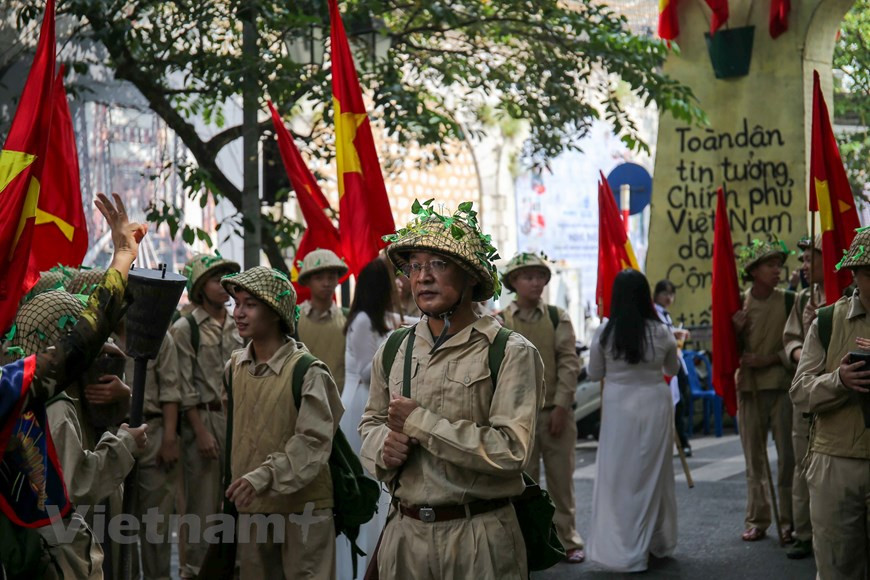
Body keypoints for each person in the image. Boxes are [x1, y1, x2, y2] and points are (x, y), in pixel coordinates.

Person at [359, 201, 545, 579]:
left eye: (439, 264)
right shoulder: (394, 349)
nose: (423, 277)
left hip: (479, 537)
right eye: (415, 265)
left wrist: (418, 423)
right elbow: (370, 425)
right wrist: (382, 445)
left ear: (470, 277)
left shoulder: (509, 352)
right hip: (404, 536)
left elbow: (511, 451)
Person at [0, 193, 147, 578]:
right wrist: (122, 258)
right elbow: (76, 483)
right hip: (49, 553)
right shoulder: (22, 393)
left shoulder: (11, 380)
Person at [221, 266, 343, 579]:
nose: (239, 313)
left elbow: (313, 443)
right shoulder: (234, 366)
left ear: (275, 312)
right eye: (236, 303)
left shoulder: (308, 371)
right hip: (253, 510)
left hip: (305, 510)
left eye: (250, 304)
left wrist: (261, 477)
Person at [586, 269, 680, 572]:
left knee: (619, 477)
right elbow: (673, 369)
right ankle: (654, 542)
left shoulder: (604, 332)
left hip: (618, 406)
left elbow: (594, 374)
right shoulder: (661, 331)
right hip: (654, 402)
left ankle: (624, 546)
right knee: (654, 474)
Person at [791, 228, 870, 579]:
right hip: (835, 463)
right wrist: (840, 380)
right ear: (853, 275)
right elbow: (800, 391)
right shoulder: (827, 321)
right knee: (838, 569)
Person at [499, 251, 585, 563]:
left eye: (540, 276)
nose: (536, 283)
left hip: (554, 413)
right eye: (528, 276)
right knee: (522, 483)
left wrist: (562, 406)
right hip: (517, 418)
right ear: (513, 282)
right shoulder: (501, 320)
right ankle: (527, 543)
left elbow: (568, 362)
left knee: (562, 482)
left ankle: (568, 540)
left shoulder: (556, 316)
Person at [336, 257, 412, 578]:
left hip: (369, 403)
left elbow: (410, 320)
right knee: (366, 479)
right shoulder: (365, 320)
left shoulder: (379, 317)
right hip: (358, 404)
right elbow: (369, 372)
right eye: (393, 279)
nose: (400, 284)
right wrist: (391, 344)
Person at [171, 252, 242, 578]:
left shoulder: (238, 324)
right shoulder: (187, 328)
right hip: (205, 420)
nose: (223, 287)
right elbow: (184, 386)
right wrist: (200, 431)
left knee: (235, 501)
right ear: (200, 286)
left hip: (237, 421)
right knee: (201, 507)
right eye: (216, 280)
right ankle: (194, 570)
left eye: (227, 279)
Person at [733, 240, 796, 543]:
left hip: (782, 388)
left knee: (788, 459)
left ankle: (789, 520)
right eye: (770, 265)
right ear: (754, 271)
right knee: (753, 459)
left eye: (778, 265)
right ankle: (758, 519)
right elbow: (726, 353)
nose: (777, 270)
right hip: (750, 389)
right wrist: (735, 332)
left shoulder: (790, 301)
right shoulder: (739, 305)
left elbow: (799, 345)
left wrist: (769, 359)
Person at [782, 235, 824, 560]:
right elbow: (790, 340)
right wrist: (800, 352)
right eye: (804, 259)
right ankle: (802, 532)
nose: (805, 266)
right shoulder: (801, 300)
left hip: (836, 393)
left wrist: (822, 323)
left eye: (811, 259)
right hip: (805, 390)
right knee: (801, 463)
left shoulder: (847, 297)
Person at [297, 249, 349, 393]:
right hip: (300, 397)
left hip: (338, 400)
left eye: (331, 277)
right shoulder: (293, 318)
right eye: (319, 278)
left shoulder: (347, 319)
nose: (326, 283)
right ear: (307, 281)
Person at [653, 279, 692, 457]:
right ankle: (680, 441)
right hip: (664, 367)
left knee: (680, 402)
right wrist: (673, 333)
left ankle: (681, 440)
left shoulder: (665, 314)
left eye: (671, 294)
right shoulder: (654, 313)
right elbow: (660, 334)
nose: (668, 298)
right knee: (675, 404)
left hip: (675, 362)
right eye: (664, 293)